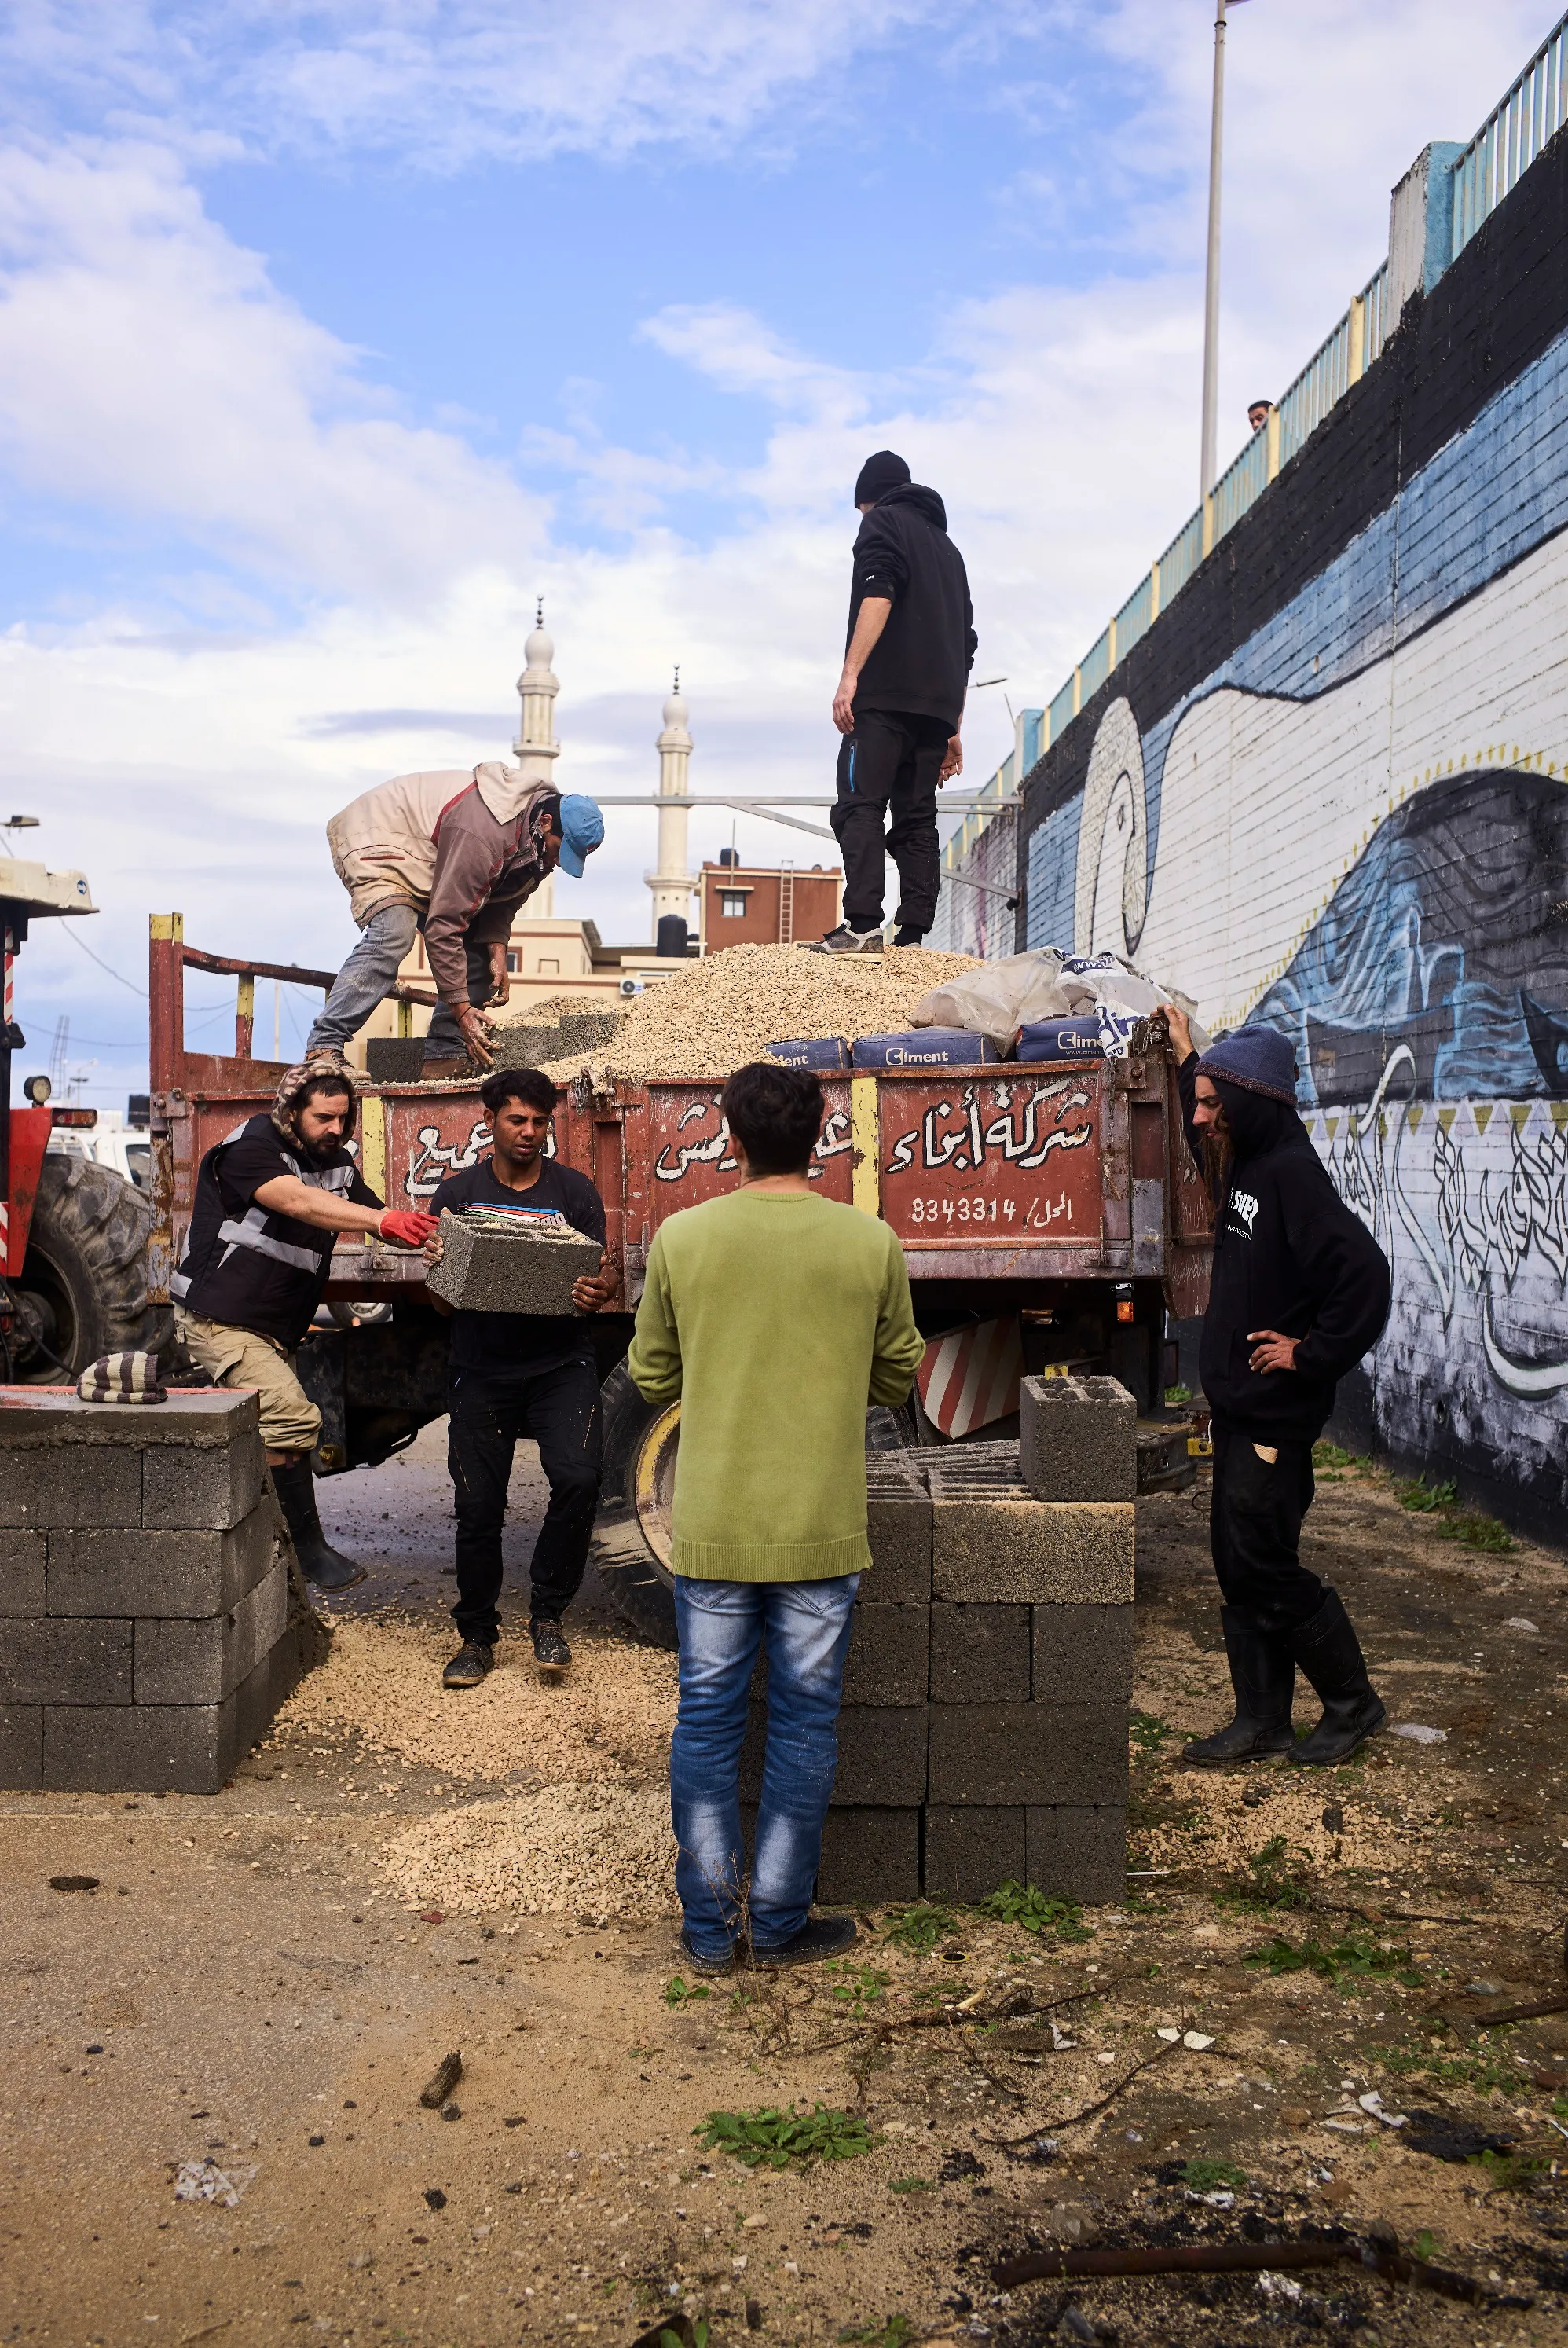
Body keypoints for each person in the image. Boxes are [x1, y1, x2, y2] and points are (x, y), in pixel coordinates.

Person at [627, 1060, 926, 1972]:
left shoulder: (683, 1237)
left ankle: (711, 1932)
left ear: (731, 1139)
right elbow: (898, 1373)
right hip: (820, 1529)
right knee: (802, 1727)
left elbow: (651, 1373)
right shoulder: (869, 1241)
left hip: (713, 1527)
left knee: (707, 1722)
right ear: (822, 1138)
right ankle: (783, 1922)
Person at [1162, 1008, 1393, 1768]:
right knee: (1237, 1562)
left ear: (1250, 1103)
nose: (1201, 1119)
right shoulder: (1243, 1158)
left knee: (1262, 1560)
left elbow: (1365, 1277)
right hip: (1239, 1411)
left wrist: (1311, 1353)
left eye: (1212, 1105)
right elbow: (1200, 1121)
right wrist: (1189, 1056)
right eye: (1201, 1102)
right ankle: (1262, 1721)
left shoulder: (1291, 1174)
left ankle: (1353, 1703)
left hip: (1275, 1417)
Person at [171, 1063, 436, 1590]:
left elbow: (369, 1211)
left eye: (343, 1118)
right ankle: (305, 1554)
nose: (336, 1130)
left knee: (268, 1436)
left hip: (273, 1328)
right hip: (221, 1318)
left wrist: (427, 1234)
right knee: (291, 1419)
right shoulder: (251, 1147)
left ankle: (262, 1556)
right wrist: (381, 1221)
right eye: (323, 1119)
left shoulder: (334, 1161)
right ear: (292, 1112)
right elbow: (296, 1200)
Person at [424, 1066, 620, 1689]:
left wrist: (599, 1289)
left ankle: (548, 1615)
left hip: (560, 1365)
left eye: (540, 1121)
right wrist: (439, 1270)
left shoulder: (574, 1193)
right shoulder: (455, 1196)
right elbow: (441, 1306)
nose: (530, 1132)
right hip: (480, 1369)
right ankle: (476, 1638)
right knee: (478, 1506)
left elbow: (602, 1275)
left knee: (580, 1478)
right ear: (490, 1122)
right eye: (517, 1120)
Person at [306, 762, 605, 1075]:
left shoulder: (537, 845)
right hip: (383, 834)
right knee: (394, 933)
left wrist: (498, 949)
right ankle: (323, 1046)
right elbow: (443, 928)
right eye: (559, 851)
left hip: (436, 853)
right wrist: (463, 1012)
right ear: (545, 823)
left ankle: (443, 1056)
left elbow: (504, 900)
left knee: (480, 952)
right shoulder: (485, 834)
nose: (558, 862)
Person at [808, 449, 976, 956]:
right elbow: (965, 644)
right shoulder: (950, 552)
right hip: (936, 709)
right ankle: (913, 935)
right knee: (917, 817)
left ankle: (862, 927)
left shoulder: (881, 523)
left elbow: (878, 591)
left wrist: (850, 676)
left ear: (870, 499)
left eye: (860, 508)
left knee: (860, 804)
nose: (861, 517)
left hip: (883, 699)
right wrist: (953, 725)